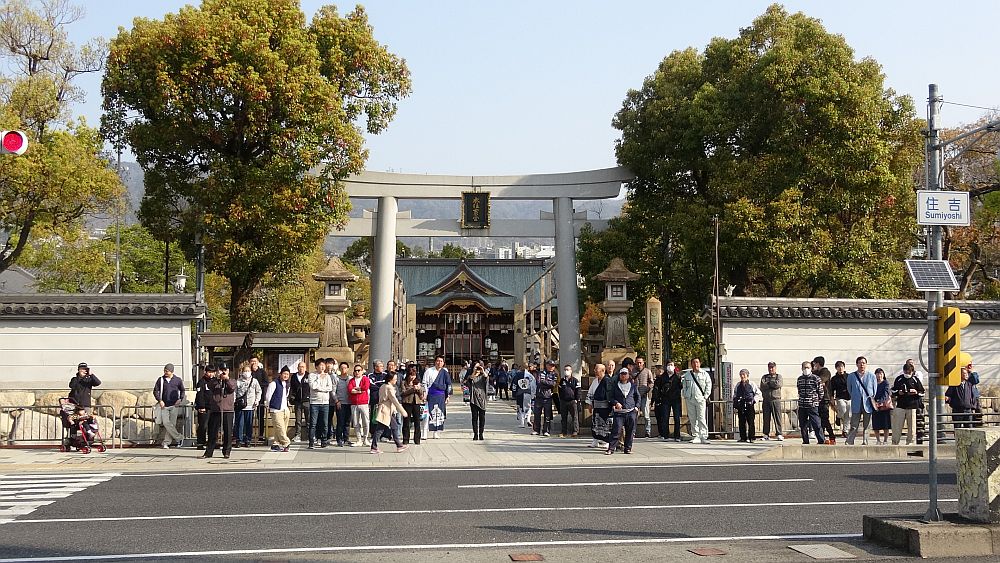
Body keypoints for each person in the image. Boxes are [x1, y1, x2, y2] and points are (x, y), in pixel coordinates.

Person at [371, 371, 409, 454]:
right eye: (395, 379)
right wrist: (403, 411)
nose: (396, 380)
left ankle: (399, 445)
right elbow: (394, 400)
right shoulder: (389, 387)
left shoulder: (383, 386)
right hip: (386, 410)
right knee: (380, 429)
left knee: (394, 426)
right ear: (390, 379)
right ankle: (374, 447)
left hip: (387, 409)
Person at [204, 363, 236, 459]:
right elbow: (210, 386)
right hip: (216, 409)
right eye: (221, 370)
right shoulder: (215, 381)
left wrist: (226, 379)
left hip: (228, 409)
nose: (223, 372)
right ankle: (209, 452)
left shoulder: (232, 380)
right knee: (212, 431)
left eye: (224, 370)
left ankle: (227, 451)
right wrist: (217, 378)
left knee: (227, 431)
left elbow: (231, 388)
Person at [607, 367, 640, 455]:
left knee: (630, 431)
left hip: (630, 411)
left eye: (625, 374)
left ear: (628, 375)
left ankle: (627, 448)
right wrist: (615, 403)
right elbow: (610, 397)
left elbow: (637, 397)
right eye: (622, 374)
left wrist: (636, 407)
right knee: (616, 430)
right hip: (619, 412)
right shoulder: (615, 386)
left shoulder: (633, 386)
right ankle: (611, 448)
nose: (624, 376)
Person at [153, 363, 186, 448]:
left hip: (174, 405)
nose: (165, 372)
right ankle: (179, 437)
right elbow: (155, 391)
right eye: (164, 370)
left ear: (171, 371)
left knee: (172, 424)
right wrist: (160, 400)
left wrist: (180, 399)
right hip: (164, 405)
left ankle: (166, 442)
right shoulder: (160, 380)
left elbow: (182, 390)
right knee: (166, 422)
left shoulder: (177, 380)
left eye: (167, 371)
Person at [890, 362, 924, 445]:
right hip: (900, 405)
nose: (907, 373)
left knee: (912, 427)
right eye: (905, 372)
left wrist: (915, 392)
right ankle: (895, 442)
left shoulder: (915, 379)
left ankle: (910, 442)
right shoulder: (899, 379)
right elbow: (893, 390)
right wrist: (899, 392)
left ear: (912, 372)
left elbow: (922, 392)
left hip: (912, 406)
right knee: (897, 426)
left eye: (909, 372)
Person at [846, 356, 876, 446]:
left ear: (866, 364)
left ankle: (865, 441)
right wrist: (855, 396)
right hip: (856, 403)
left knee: (867, 425)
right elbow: (849, 389)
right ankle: (849, 441)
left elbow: (874, 390)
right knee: (854, 424)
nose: (862, 364)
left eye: (863, 363)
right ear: (857, 364)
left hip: (867, 403)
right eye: (860, 363)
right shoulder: (851, 376)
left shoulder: (872, 376)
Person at [682, 358, 712, 444]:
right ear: (691, 364)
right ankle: (695, 435)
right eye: (694, 363)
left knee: (701, 417)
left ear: (700, 363)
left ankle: (703, 436)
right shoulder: (688, 375)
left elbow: (708, 386)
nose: (696, 364)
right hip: (690, 399)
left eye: (697, 362)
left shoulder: (704, 374)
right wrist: (685, 395)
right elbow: (684, 386)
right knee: (692, 418)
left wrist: (705, 396)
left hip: (700, 399)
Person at [265, 366, 293, 452]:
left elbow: (286, 396)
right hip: (276, 409)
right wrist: (270, 407)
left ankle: (275, 444)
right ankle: (286, 442)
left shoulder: (287, 384)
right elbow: (268, 396)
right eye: (284, 374)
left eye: (287, 374)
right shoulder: (274, 383)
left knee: (282, 428)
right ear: (280, 374)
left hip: (285, 409)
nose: (285, 376)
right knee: (280, 427)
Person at [233, 362, 261, 448]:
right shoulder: (238, 381)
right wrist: (234, 401)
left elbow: (258, 391)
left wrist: (257, 400)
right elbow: (235, 392)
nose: (247, 372)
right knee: (239, 424)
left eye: (248, 370)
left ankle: (248, 439)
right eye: (245, 371)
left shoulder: (254, 381)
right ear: (242, 372)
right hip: (240, 405)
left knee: (249, 424)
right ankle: (239, 440)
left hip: (250, 405)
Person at [796, 361, 824, 445]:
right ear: (801, 369)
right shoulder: (800, 379)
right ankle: (805, 440)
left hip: (812, 405)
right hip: (802, 405)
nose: (806, 369)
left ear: (811, 368)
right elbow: (799, 390)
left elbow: (821, 392)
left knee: (816, 423)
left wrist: (816, 401)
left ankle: (821, 440)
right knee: (803, 424)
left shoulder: (816, 378)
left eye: (808, 367)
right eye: (804, 367)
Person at [308, 361, 334, 449]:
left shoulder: (328, 376)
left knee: (325, 423)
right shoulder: (312, 375)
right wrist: (319, 379)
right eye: (320, 365)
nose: (322, 367)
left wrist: (321, 389)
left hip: (325, 402)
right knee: (313, 423)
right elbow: (313, 386)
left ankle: (324, 441)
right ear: (316, 367)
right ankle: (311, 441)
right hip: (314, 402)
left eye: (323, 365)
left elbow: (330, 388)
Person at [425, 356, 453, 438]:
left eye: (441, 361)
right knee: (429, 413)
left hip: (441, 395)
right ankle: (425, 431)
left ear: (443, 363)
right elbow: (425, 383)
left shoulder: (445, 372)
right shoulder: (429, 371)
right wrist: (424, 394)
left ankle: (436, 432)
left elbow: (449, 385)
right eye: (437, 361)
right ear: (435, 362)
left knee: (439, 413)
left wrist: (448, 396)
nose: (439, 362)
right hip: (431, 395)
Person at [812, 356, 836, 445]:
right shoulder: (815, 373)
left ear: (818, 364)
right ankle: (822, 438)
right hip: (816, 398)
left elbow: (820, 381)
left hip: (824, 398)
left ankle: (832, 436)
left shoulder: (825, 372)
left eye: (814, 364)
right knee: (819, 420)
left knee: (825, 419)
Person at [733, 369, 761, 443]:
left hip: (749, 404)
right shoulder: (738, 385)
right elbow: (735, 394)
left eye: (744, 374)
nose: (742, 376)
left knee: (751, 421)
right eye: (741, 375)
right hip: (741, 405)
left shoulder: (752, 384)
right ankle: (743, 437)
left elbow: (758, 393)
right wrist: (736, 401)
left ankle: (752, 437)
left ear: (747, 375)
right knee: (741, 422)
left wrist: (754, 400)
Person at [586, 363, 611, 447]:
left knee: (605, 425)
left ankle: (606, 441)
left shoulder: (607, 380)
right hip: (596, 406)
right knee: (595, 424)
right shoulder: (595, 381)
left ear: (603, 371)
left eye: (596, 369)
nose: (595, 371)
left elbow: (609, 394)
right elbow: (591, 392)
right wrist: (590, 403)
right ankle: (595, 440)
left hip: (605, 407)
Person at [401, 363, 425, 445]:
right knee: (406, 421)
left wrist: (418, 388)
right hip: (407, 403)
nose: (412, 377)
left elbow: (422, 393)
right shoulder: (404, 382)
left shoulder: (418, 382)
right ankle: (405, 439)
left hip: (416, 403)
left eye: (414, 375)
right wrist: (412, 389)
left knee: (417, 421)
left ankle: (417, 439)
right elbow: (403, 393)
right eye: (411, 375)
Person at [463, 362, 489, 440]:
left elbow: (487, 378)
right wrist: (474, 373)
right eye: (476, 367)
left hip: (482, 398)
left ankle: (481, 433)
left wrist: (482, 371)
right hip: (473, 399)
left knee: (482, 417)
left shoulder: (483, 376)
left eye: (479, 367)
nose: (478, 369)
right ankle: (475, 434)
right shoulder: (471, 376)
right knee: (474, 417)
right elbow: (468, 382)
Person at [347, 364, 371, 446]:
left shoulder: (365, 379)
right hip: (354, 403)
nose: (357, 372)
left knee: (366, 422)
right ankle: (359, 440)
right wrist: (360, 390)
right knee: (356, 422)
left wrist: (357, 389)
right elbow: (350, 390)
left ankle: (365, 439)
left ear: (362, 371)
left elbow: (366, 387)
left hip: (364, 403)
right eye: (355, 371)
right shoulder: (351, 380)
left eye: (359, 370)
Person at [533, 360, 558, 436]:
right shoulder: (540, 373)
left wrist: (545, 382)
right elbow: (539, 382)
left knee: (547, 415)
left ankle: (546, 430)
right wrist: (546, 383)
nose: (552, 367)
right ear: (546, 365)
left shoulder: (554, 374)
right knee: (537, 414)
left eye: (553, 366)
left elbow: (553, 384)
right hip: (539, 396)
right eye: (550, 365)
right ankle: (536, 430)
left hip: (548, 397)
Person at [193, 364, 216, 450]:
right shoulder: (201, 382)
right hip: (204, 407)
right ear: (205, 372)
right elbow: (200, 395)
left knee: (213, 426)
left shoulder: (215, 381)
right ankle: (200, 442)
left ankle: (211, 442)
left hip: (213, 407)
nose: (211, 374)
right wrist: (201, 406)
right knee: (203, 425)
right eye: (209, 372)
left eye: (212, 372)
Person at [759, 361, 783, 441]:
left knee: (777, 417)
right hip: (766, 400)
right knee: (766, 418)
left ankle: (779, 433)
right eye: (769, 367)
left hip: (775, 399)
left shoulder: (778, 376)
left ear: (775, 368)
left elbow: (778, 384)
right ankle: (766, 434)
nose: (771, 369)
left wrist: (769, 383)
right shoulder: (765, 377)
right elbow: (762, 386)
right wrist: (770, 384)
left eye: (772, 367)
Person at [289, 361, 311, 444]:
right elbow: (292, 388)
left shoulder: (308, 376)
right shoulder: (294, 376)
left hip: (307, 400)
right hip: (297, 401)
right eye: (300, 366)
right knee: (298, 420)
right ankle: (297, 435)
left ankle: (310, 435)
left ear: (305, 368)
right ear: (297, 367)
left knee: (308, 419)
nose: (301, 368)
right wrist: (291, 397)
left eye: (303, 367)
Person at [249, 357, 268, 444]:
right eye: (252, 361)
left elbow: (266, 383)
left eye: (255, 361)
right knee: (249, 417)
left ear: (258, 362)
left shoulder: (262, 372)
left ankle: (261, 435)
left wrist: (257, 385)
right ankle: (248, 435)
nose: (253, 363)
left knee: (260, 417)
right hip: (249, 398)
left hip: (260, 398)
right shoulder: (248, 372)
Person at [830, 360, 851, 438]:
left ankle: (845, 431)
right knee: (843, 409)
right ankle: (838, 417)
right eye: (838, 367)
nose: (840, 368)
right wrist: (832, 398)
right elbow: (832, 389)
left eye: (842, 366)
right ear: (836, 368)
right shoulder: (834, 378)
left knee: (848, 415)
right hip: (840, 397)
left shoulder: (849, 376)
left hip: (849, 397)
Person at [557, 364, 580, 438]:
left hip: (572, 401)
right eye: (565, 370)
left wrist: (577, 399)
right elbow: (559, 390)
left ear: (571, 371)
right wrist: (561, 398)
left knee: (575, 417)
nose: (566, 371)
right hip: (563, 401)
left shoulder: (575, 381)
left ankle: (575, 431)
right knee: (563, 417)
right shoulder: (562, 381)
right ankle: (564, 432)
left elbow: (578, 391)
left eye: (568, 370)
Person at [872, 368, 892, 444]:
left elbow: (886, 394)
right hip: (875, 406)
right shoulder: (873, 383)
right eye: (877, 374)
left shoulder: (885, 383)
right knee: (876, 424)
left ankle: (885, 440)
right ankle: (878, 440)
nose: (879, 375)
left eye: (880, 373)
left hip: (884, 406)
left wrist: (879, 401)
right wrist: (874, 402)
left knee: (885, 424)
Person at [334, 361, 352, 446]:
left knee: (347, 422)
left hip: (349, 403)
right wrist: (337, 401)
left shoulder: (351, 378)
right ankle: (339, 439)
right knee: (340, 422)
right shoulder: (336, 379)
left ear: (348, 369)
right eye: (341, 368)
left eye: (345, 368)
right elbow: (333, 391)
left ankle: (346, 438)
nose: (343, 369)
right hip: (340, 403)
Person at [635, 357, 654, 438]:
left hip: (644, 396)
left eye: (640, 362)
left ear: (643, 363)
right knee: (634, 415)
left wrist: (647, 389)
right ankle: (633, 431)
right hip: (634, 397)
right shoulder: (633, 371)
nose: (639, 364)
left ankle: (648, 431)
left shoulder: (647, 371)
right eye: (637, 362)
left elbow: (651, 382)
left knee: (646, 415)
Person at [517, 364, 536, 428]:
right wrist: (533, 394)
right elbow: (533, 386)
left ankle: (522, 423)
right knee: (528, 407)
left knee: (521, 407)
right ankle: (528, 419)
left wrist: (514, 392)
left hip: (520, 393)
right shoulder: (531, 376)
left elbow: (514, 384)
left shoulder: (518, 375)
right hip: (528, 393)